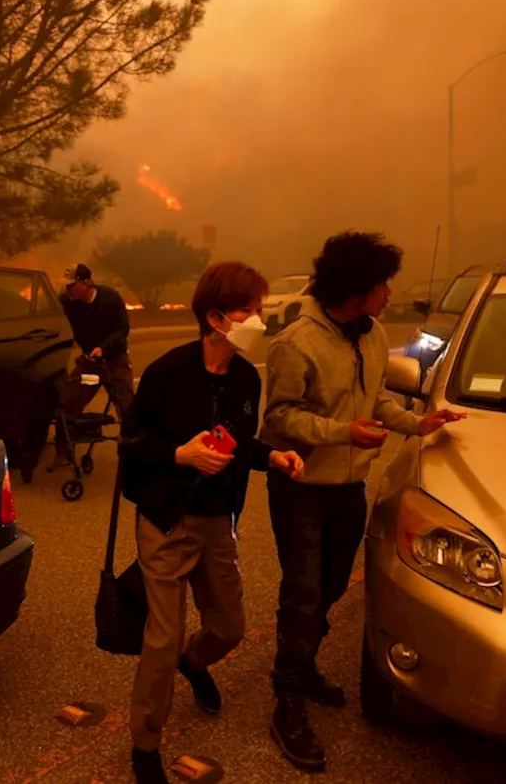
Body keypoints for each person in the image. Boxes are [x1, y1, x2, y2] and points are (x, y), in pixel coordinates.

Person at [260, 231, 466, 771]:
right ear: (356, 289)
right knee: (303, 592)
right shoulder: (296, 343)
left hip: (349, 489)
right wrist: (341, 433)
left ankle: (301, 668)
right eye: (382, 284)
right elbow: (277, 419)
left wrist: (419, 423)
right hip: (300, 488)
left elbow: (376, 400)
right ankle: (287, 696)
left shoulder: (372, 335)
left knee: (329, 588)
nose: (390, 293)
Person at [120, 261, 307, 784]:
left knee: (230, 626)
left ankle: (196, 662)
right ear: (216, 317)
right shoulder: (166, 373)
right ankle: (145, 744)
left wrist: (272, 457)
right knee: (162, 638)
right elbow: (130, 445)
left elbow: (238, 443)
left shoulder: (247, 378)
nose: (260, 320)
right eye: (251, 311)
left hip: (217, 521)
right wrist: (179, 455)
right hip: (165, 519)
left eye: (260, 310)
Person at [54, 263, 135, 467]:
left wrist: (103, 348)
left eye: (72, 285)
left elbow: (122, 328)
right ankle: (64, 449)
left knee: (127, 407)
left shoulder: (110, 298)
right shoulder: (67, 303)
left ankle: (133, 452)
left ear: (86, 283)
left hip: (115, 359)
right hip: (89, 361)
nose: (68, 290)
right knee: (69, 400)